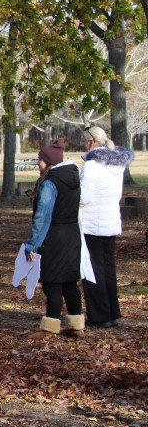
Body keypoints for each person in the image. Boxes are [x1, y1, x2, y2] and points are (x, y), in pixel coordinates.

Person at [25, 140, 84, 335]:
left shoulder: (50, 183)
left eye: (40, 160)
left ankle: (50, 328)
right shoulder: (73, 178)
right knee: (69, 282)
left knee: (52, 282)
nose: (38, 163)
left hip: (54, 237)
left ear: (48, 161)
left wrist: (32, 244)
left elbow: (41, 218)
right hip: (72, 235)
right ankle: (76, 326)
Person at [79, 126, 134, 328]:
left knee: (92, 269)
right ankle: (111, 312)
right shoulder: (117, 165)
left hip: (92, 224)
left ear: (92, 142)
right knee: (108, 267)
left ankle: (100, 314)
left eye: (84, 142)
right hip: (110, 221)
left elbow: (84, 198)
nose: (83, 146)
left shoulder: (92, 165)